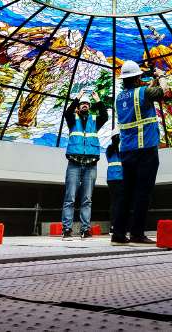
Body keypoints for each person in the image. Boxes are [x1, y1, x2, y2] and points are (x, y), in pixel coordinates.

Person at [110, 60, 170, 246]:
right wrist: (161, 76)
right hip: (146, 150)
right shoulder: (143, 93)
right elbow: (164, 91)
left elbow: (143, 97)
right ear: (137, 78)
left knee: (125, 193)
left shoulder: (119, 98)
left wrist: (150, 84)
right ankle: (137, 234)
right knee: (143, 192)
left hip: (127, 151)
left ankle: (118, 235)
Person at [61, 92, 108, 239]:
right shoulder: (72, 119)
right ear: (79, 106)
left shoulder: (94, 121)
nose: (85, 105)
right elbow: (67, 112)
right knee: (70, 198)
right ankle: (66, 229)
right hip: (74, 163)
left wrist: (98, 100)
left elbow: (105, 116)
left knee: (87, 199)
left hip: (90, 165)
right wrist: (77, 98)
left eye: (87, 103)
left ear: (90, 106)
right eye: (82, 103)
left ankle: (85, 230)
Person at [105, 134, 123, 230]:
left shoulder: (110, 150)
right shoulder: (117, 149)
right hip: (118, 178)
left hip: (112, 178)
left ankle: (114, 225)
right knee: (118, 202)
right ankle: (116, 225)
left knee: (115, 202)